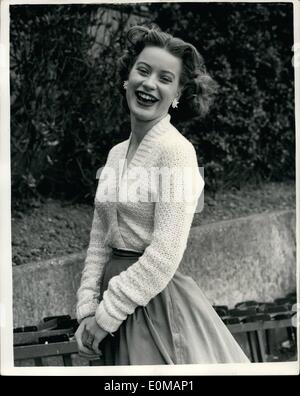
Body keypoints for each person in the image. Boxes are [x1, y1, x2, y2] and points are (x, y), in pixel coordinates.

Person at [75, 25, 250, 365]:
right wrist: (86, 308)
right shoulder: (114, 154)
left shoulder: (177, 153)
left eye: (165, 78)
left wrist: (106, 314)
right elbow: (99, 239)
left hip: (150, 304)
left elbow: (165, 254)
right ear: (127, 78)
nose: (149, 83)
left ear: (178, 94)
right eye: (142, 71)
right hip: (111, 307)